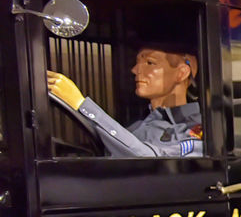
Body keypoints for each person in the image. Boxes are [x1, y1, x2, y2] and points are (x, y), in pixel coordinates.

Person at [47, 44, 203, 156]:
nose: (135, 70)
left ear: (181, 73)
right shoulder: (135, 127)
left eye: (150, 62)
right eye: (137, 63)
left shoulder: (197, 127)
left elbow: (148, 161)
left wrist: (81, 104)